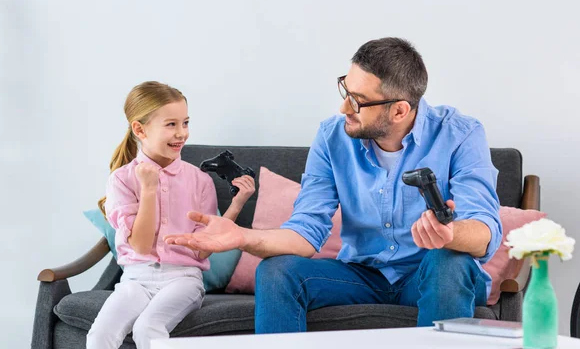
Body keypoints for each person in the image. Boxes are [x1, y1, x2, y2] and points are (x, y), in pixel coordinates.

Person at [165, 37, 502, 333]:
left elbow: (485, 227)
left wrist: (450, 234)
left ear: (399, 111)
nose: (344, 107)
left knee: (449, 261)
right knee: (277, 271)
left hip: (431, 275)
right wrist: (243, 237)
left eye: (357, 100)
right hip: (361, 274)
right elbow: (306, 230)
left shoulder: (460, 134)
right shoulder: (332, 137)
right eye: (345, 89)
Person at [87, 81, 255, 349]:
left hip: (183, 279)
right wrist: (149, 189)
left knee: (148, 328)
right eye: (171, 125)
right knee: (99, 336)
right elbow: (140, 246)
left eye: (185, 123)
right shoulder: (122, 179)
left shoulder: (199, 180)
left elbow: (202, 251)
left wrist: (236, 204)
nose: (182, 134)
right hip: (135, 278)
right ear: (139, 129)